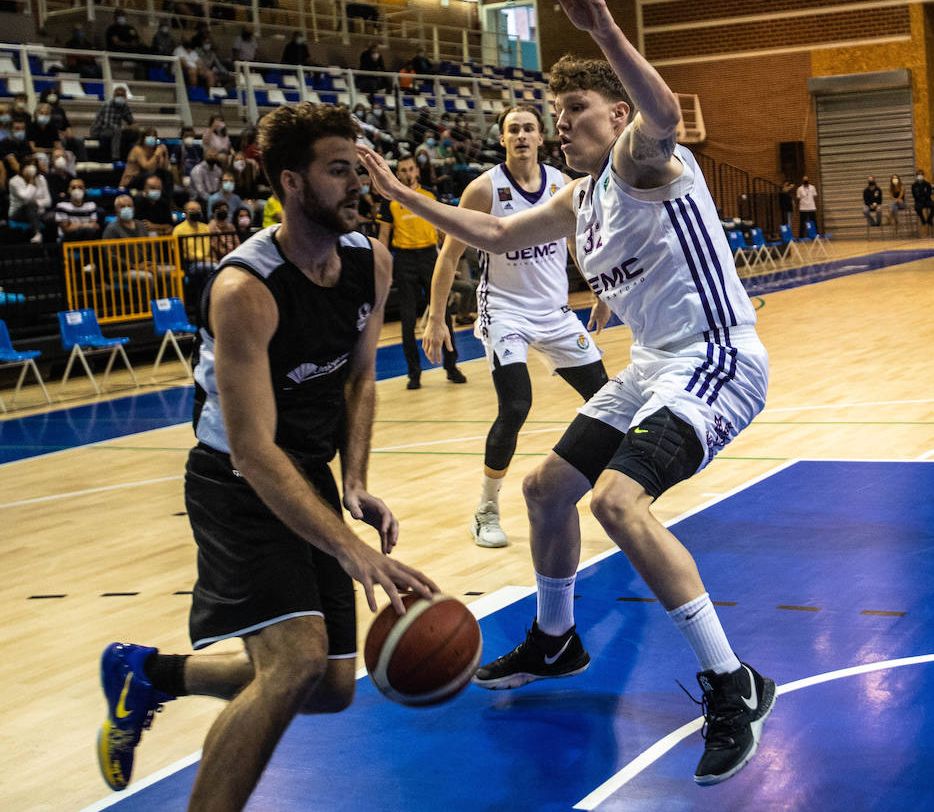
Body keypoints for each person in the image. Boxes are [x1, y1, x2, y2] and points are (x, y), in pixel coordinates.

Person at [358, 0, 776, 787]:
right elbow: (494, 236)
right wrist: (402, 195)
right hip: (655, 367)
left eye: (574, 109)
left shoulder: (645, 158)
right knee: (547, 488)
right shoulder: (577, 200)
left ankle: (736, 684)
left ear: (615, 115)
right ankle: (557, 638)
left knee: (618, 500)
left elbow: (659, 108)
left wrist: (606, 31)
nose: (559, 125)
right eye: (554, 114)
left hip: (719, 358)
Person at [95, 103, 438, 805]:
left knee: (334, 686)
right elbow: (252, 452)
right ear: (290, 181)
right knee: (294, 664)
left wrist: (358, 480)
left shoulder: (367, 260)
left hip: (305, 470)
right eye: (337, 170)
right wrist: (351, 549)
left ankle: (151, 675)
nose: (356, 184)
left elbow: (361, 375)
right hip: (234, 482)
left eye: (358, 167)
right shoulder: (244, 290)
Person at [421, 104, 609, 549]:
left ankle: (606, 488)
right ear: (502, 139)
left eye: (528, 128)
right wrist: (435, 317)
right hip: (505, 311)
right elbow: (449, 256)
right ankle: (486, 509)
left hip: (555, 313)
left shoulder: (563, 184)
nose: (521, 135)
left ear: (540, 137)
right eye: (513, 130)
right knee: (516, 405)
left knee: (607, 400)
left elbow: (577, 245)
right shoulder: (484, 189)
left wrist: (600, 291)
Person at [375, 153, 465, 390]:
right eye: (402, 170)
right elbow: (383, 236)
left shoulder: (429, 195)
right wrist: (383, 269)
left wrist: (451, 254)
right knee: (407, 319)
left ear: (417, 171)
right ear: (398, 173)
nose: (407, 174)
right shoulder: (389, 200)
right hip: (404, 260)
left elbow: (443, 228)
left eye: (410, 169)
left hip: (429, 257)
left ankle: (451, 366)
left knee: (442, 313)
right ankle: (413, 373)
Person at [8, 160, 51, 243]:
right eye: (28, 166)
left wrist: (37, 203)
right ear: (22, 168)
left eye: (33, 166)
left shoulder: (41, 179)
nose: (31, 168)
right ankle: (37, 233)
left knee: (53, 217)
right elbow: (26, 198)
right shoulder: (14, 181)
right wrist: (31, 181)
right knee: (30, 205)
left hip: (38, 212)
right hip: (18, 213)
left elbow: (48, 201)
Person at [89, 86, 136, 161]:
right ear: (114, 96)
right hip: (99, 130)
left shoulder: (124, 106)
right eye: (118, 95)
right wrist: (124, 128)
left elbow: (130, 121)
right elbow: (108, 124)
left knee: (133, 133)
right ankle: (115, 158)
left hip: (114, 130)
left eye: (122, 96)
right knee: (117, 131)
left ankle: (133, 156)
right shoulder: (108, 105)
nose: (120, 97)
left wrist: (133, 125)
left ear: (125, 97)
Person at [56, 176, 102, 241]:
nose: (77, 190)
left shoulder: (91, 205)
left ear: (84, 190)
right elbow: (66, 229)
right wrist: (86, 225)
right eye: (73, 188)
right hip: (69, 240)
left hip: (88, 239)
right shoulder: (61, 206)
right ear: (68, 190)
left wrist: (75, 225)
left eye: (80, 187)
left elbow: (94, 226)